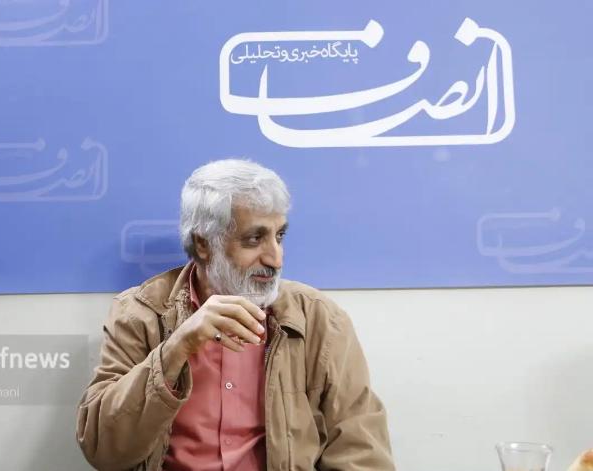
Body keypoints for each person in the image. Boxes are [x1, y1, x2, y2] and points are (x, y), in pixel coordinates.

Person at [76, 159, 395, 470]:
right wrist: (176, 349)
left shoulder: (319, 319)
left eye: (279, 236)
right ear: (203, 244)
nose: (276, 259)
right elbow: (103, 451)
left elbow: (361, 451)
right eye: (255, 239)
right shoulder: (140, 313)